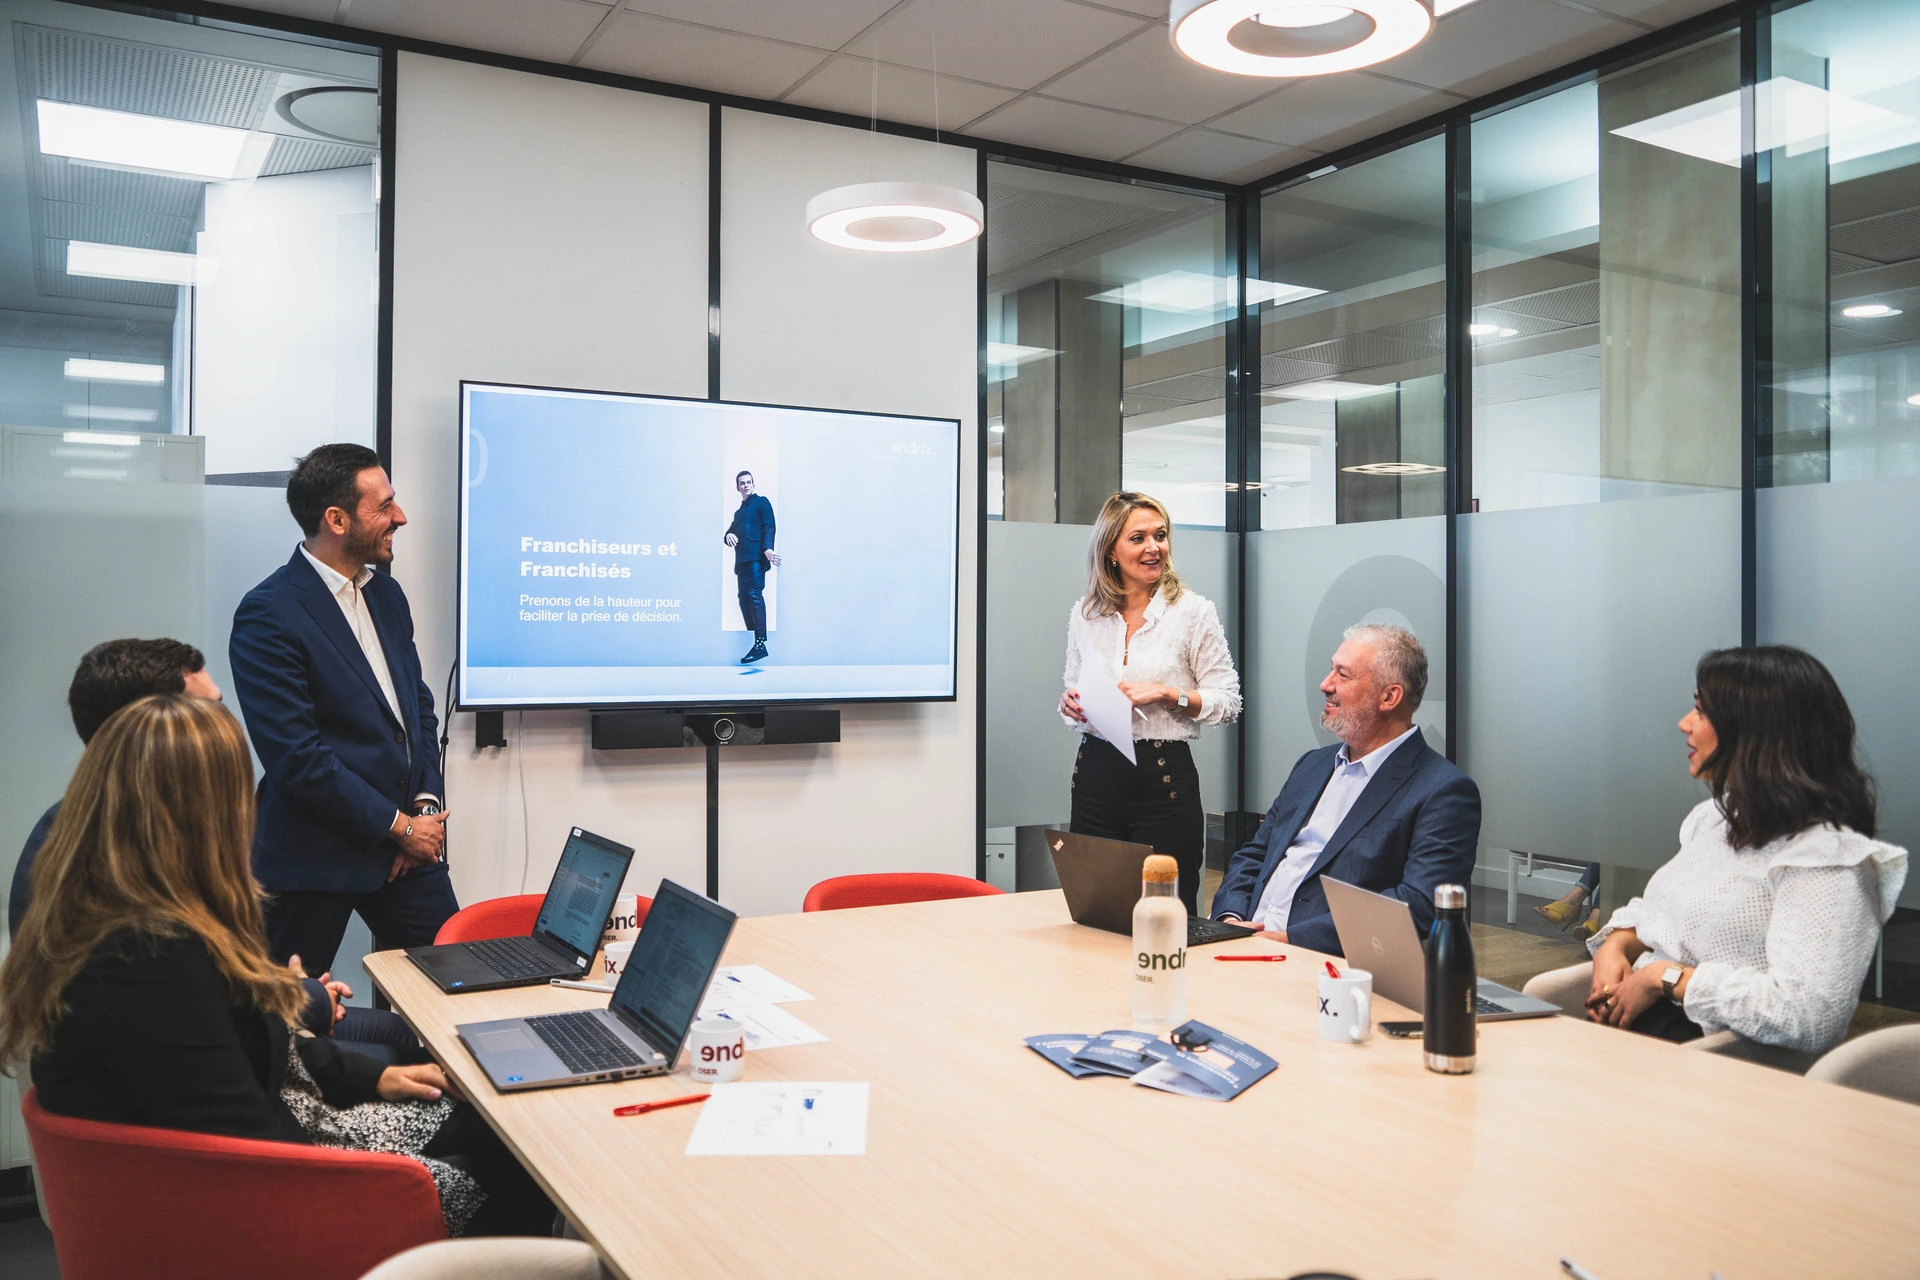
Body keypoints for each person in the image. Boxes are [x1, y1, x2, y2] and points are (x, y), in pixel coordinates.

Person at [0, 694, 552, 1236]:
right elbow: (254, 1151)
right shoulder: (150, 959)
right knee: (521, 1161)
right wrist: (388, 1171)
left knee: (488, 1124)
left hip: (249, 1168)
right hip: (272, 1202)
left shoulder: (114, 916)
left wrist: (376, 1078)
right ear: (201, 811)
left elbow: (249, 1053)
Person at [8, 637, 423, 1065]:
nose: (229, 729)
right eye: (206, 713)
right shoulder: (124, 871)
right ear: (151, 730)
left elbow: (213, 987)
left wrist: (296, 992)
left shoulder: (99, 830)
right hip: (195, 1072)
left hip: (213, 1039)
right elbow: (203, 1016)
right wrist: (306, 1001)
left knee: (400, 1035)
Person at [1584, 646, 1906, 1053]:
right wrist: (1615, 945)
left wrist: (1664, 978)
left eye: (1701, 712)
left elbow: (1807, 1016)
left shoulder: (1828, 859)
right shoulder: (1715, 818)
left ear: (1756, 731)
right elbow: (1662, 916)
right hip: (1635, 1038)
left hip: (1711, 1066)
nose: (1685, 723)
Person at [230, 443, 456, 975]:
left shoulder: (387, 596)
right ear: (336, 519)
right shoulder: (269, 613)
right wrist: (395, 827)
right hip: (313, 858)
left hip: (407, 855)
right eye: (384, 507)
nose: (399, 517)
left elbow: (417, 711)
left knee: (460, 984)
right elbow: (297, 758)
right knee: (282, 1019)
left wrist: (422, 809)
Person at [1210, 624, 1479, 955]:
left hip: (1326, 969)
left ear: (1389, 697)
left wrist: (1289, 941)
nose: (1325, 684)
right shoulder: (1312, 765)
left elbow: (1418, 905)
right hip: (1240, 946)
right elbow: (1256, 854)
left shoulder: (1442, 791)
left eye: (1343, 675)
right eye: (1330, 669)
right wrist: (1230, 917)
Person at [1059, 492, 1240, 914]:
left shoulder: (1193, 612)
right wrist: (1072, 705)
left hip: (1162, 780)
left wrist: (1168, 694)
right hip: (1095, 776)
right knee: (1095, 907)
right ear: (1110, 551)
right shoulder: (1085, 614)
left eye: (1160, 536)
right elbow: (1072, 687)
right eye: (1138, 538)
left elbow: (1228, 701)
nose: (1153, 547)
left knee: (1167, 912)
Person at [724, 469, 779, 664]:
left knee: (755, 596)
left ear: (753, 484)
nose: (746, 485)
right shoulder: (739, 513)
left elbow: (769, 526)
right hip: (742, 561)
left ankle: (760, 643)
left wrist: (768, 548)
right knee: (743, 599)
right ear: (737, 487)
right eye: (742, 483)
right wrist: (728, 535)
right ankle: (753, 639)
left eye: (749, 482)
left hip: (756, 558)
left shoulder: (762, 502)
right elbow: (731, 530)